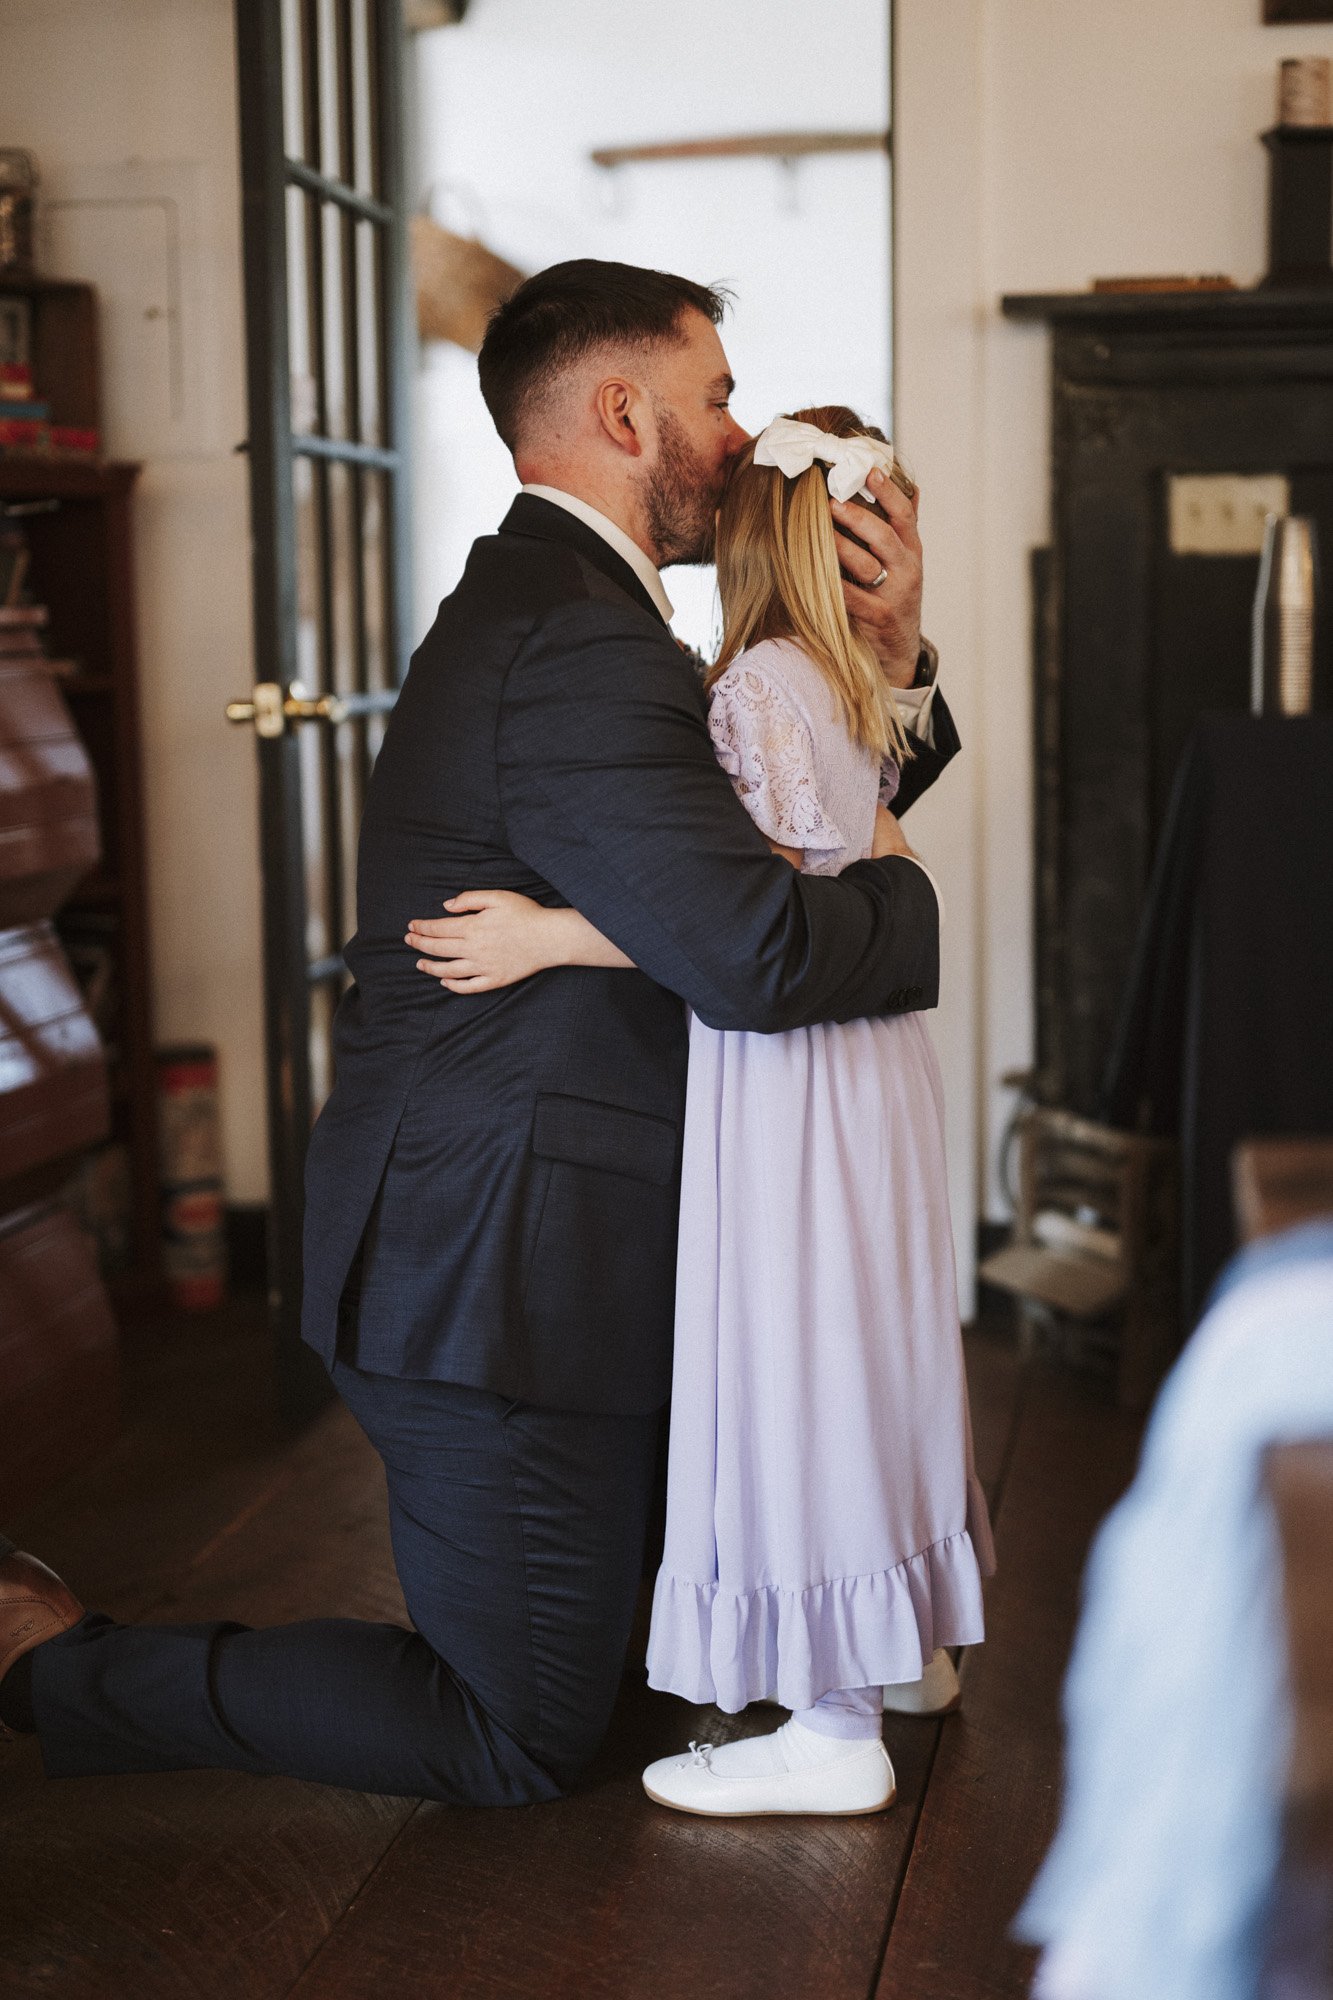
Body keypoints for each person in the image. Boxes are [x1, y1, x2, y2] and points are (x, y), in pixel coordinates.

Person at [0, 262, 956, 1810]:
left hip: (581, 1239)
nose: (737, 431)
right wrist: (920, 916)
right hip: (499, 1269)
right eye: (713, 397)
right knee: (517, 1735)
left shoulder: (572, 617)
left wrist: (893, 659)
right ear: (622, 411)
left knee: (669, 1647)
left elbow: (781, 851)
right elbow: (763, 945)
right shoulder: (577, 649)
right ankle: (49, 1668)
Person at [406, 408, 993, 1818]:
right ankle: (900, 1636)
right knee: (878, 1337)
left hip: (789, 1082)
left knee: (797, 1363)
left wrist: (550, 933)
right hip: (871, 1081)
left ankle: (833, 1722)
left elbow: (737, 916)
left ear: (744, 536)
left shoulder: (750, 693)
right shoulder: (844, 678)